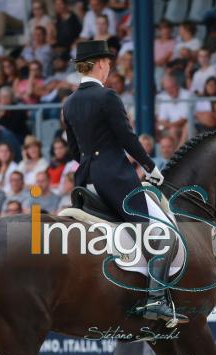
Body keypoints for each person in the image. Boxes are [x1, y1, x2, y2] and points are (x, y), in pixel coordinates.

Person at [62, 40, 186, 324]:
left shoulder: (69, 104)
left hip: (85, 182)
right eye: (108, 64)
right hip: (114, 181)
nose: (109, 69)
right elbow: (127, 138)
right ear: (100, 64)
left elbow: (73, 151)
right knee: (161, 236)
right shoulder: (107, 97)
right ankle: (156, 300)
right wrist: (151, 167)